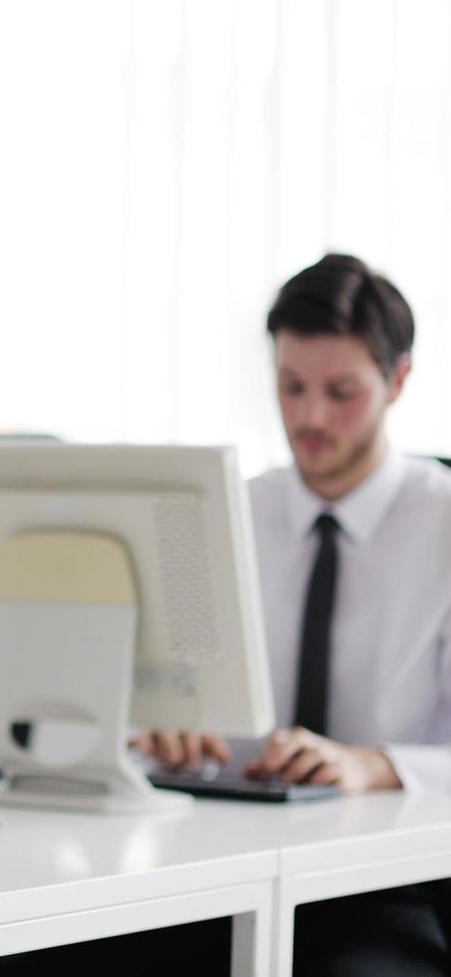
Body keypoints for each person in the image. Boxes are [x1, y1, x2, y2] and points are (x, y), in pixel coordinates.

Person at [137, 253, 451, 974]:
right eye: (291, 387)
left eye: (341, 392)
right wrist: (161, 726)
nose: (310, 417)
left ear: (397, 381)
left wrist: (373, 765)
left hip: (382, 884)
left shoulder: (442, 527)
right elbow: (160, 692)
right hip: (212, 866)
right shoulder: (229, 512)